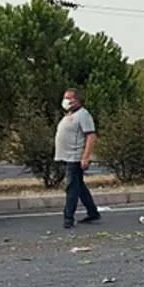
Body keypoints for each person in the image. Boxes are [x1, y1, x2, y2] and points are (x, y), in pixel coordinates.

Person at [54, 88, 100, 229]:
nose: (65, 101)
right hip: (67, 156)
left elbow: (91, 136)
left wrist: (86, 157)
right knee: (78, 186)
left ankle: (68, 217)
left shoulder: (83, 115)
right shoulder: (70, 115)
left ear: (77, 100)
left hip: (75, 157)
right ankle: (92, 212)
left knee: (72, 187)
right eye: (64, 98)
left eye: (69, 98)